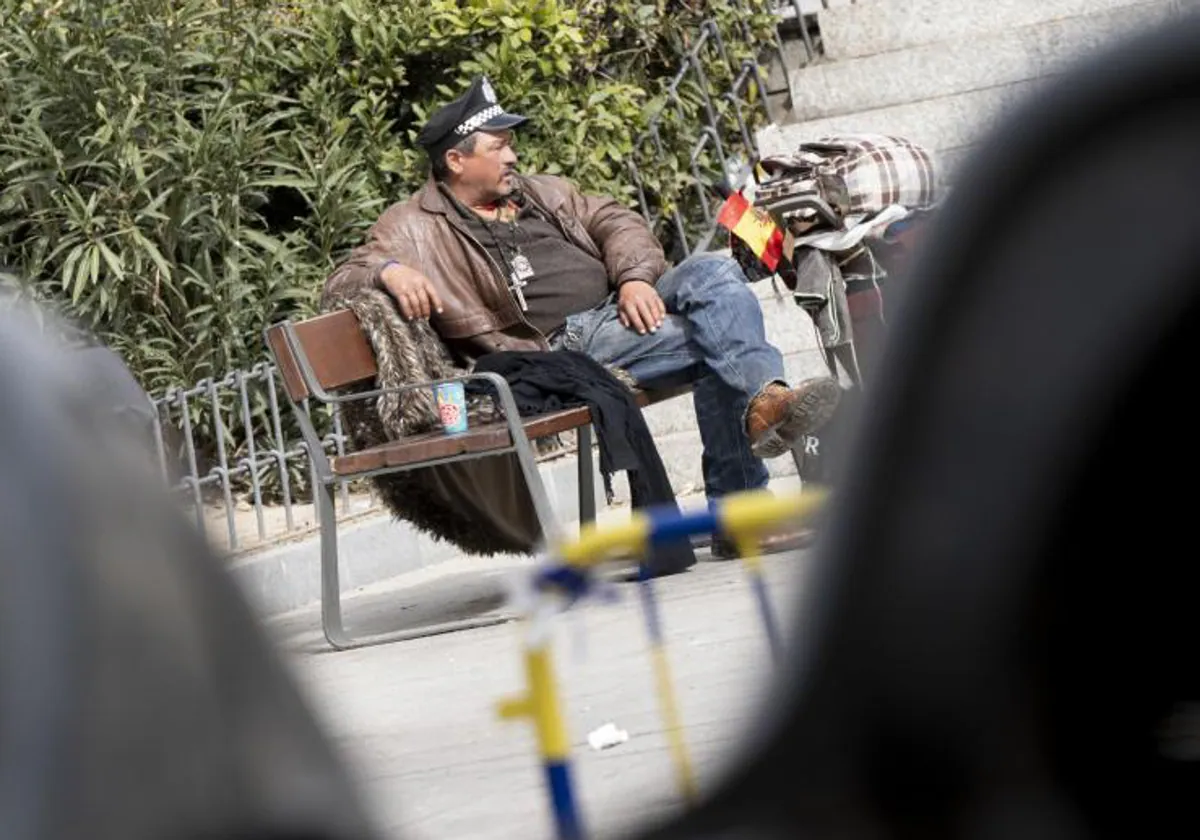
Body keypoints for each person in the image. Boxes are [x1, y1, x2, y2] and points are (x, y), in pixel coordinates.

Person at [323, 76, 841, 553]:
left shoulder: (543, 192)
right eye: (498, 146)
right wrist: (391, 270)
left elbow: (616, 220)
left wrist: (635, 277)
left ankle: (765, 407)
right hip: (559, 347)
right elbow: (344, 276)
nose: (512, 155)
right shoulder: (414, 225)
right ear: (457, 161)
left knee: (715, 272)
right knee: (717, 339)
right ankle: (747, 492)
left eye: (510, 143)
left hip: (619, 310)